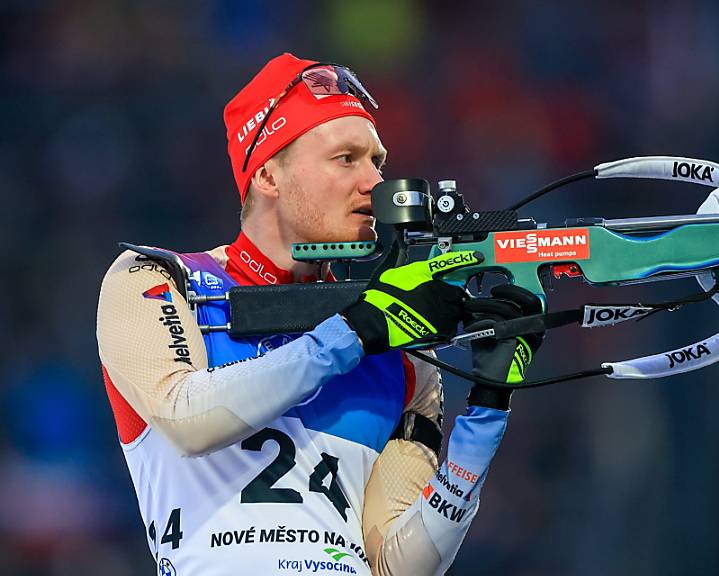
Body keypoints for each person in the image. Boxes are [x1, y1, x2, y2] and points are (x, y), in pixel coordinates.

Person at [95, 53, 543, 576]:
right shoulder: (157, 279)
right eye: (346, 159)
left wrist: (487, 411)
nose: (374, 182)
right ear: (268, 174)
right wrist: (356, 333)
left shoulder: (402, 351)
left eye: (377, 162)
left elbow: (397, 565)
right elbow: (185, 419)